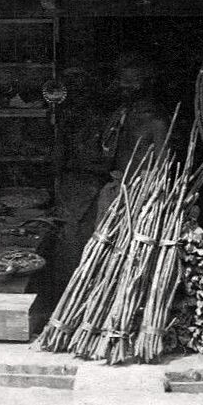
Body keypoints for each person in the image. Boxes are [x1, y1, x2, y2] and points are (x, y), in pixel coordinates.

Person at [53, 55, 170, 282]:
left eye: (132, 82)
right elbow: (107, 151)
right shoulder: (122, 114)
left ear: (146, 84)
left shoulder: (157, 122)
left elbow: (162, 166)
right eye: (123, 81)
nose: (125, 87)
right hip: (117, 192)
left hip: (140, 197)